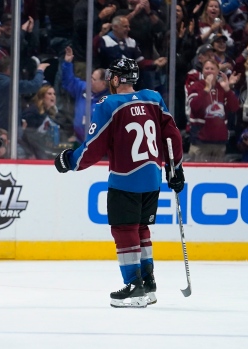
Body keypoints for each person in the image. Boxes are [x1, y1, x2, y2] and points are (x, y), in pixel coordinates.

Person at [54, 58, 185, 308]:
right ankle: (148, 284)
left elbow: (94, 146)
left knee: (124, 230)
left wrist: (69, 161)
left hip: (125, 179)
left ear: (115, 79)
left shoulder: (109, 104)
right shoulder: (154, 98)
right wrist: (175, 169)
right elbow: (173, 136)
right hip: (152, 178)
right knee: (142, 229)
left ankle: (134, 288)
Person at [187, 59, 240, 162]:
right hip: (200, 142)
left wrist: (228, 89)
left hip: (219, 142)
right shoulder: (196, 86)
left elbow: (234, 108)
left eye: (212, 69)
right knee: (198, 175)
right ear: (202, 71)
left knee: (217, 176)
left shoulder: (222, 88)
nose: (209, 71)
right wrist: (207, 88)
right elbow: (195, 107)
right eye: (207, 68)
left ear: (218, 71)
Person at [61, 46, 109, 143]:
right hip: (79, 141)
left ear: (103, 83)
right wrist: (67, 63)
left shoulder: (109, 101)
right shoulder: (83, 87)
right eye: (91, 77)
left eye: (94, 79)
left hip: (98, 144)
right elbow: (68, 82)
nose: (90, 80)